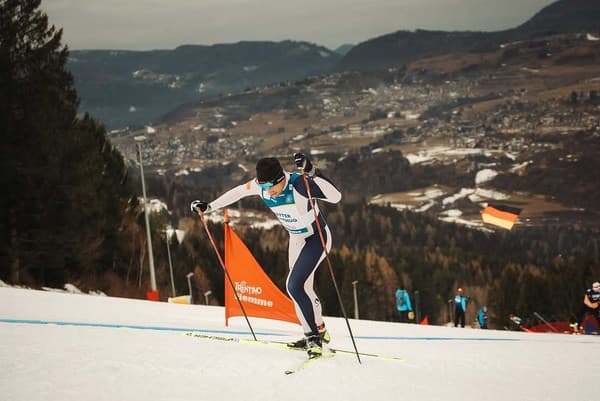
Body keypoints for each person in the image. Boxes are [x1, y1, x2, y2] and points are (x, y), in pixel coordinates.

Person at [190, 153, 341, 358]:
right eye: (264, 187)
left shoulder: (298, 185)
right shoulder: (262, 185)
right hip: (297, 239)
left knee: (294, 285)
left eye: (271, 187)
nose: (268, 192)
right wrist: (209, 207)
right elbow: (238, 192)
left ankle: (313, 338)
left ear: (280, 179)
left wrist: (312, 172)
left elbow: (335, 196)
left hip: (317, 239)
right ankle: (318, 331)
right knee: (301, 288)